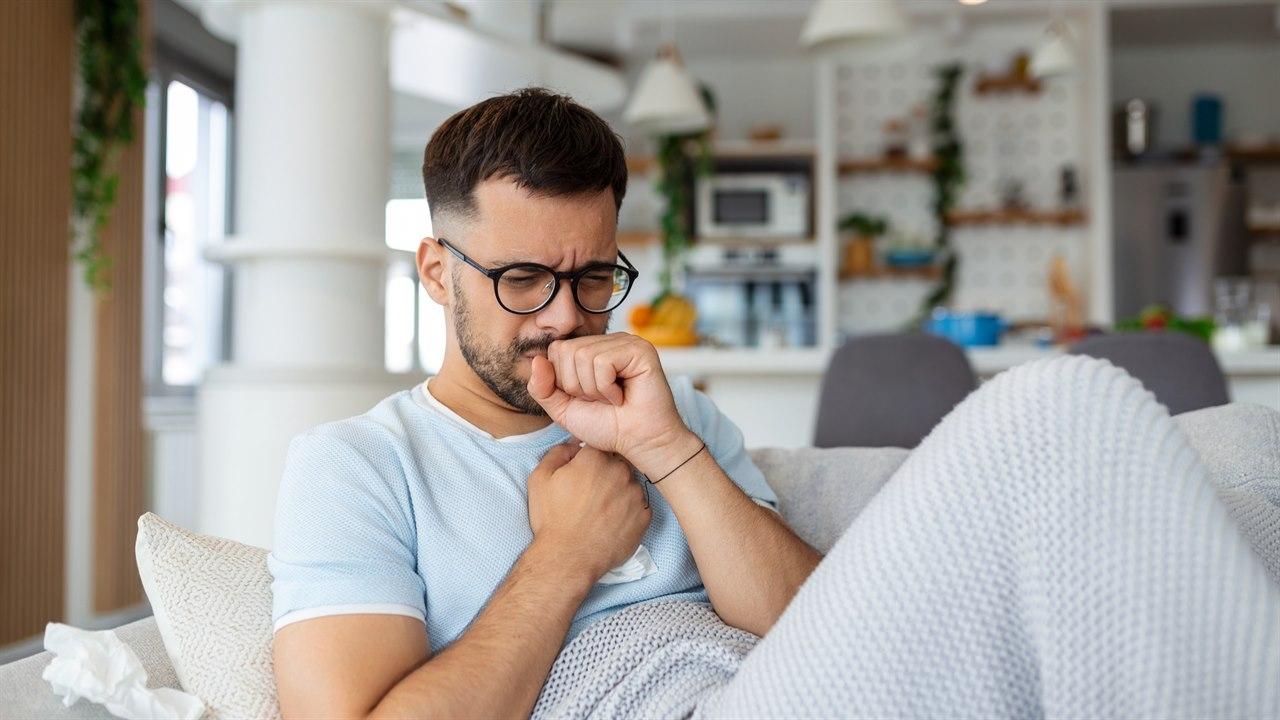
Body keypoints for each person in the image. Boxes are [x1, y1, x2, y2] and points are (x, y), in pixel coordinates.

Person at [268, 87, 823, 719]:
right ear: (436, 274)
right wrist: (567, 554)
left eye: (593, 277)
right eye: (523, 279)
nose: (566, 318)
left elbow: (823, 633)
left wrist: (667, 450)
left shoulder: (677, 416)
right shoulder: (355, 467)